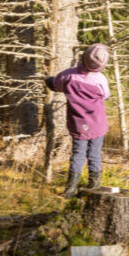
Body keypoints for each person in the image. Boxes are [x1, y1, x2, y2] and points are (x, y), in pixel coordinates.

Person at [45, 44, 111, 198]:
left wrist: (48, 79)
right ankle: (94, 188)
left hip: (78, 124)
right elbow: (105, 95)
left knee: (77, 155)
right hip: (98, 123)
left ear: (84, 57)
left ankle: (70, 191)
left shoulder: (68, 75)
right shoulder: (100, 79)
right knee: (94, 154)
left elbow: (55, 85)